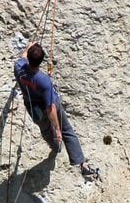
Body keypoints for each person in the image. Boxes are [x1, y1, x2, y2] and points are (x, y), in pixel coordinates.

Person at [13, 42, 99, 181]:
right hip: (49, 106)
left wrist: (31, 45)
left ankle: (56, 147)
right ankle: (79, 161)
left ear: (28, 58)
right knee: (66, 130)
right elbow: (50, 108)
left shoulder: (18, 67)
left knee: (46, 130)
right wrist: (57, 129)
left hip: (34, 109)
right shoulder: (43, 80)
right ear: (41, 61)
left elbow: (24, 55)